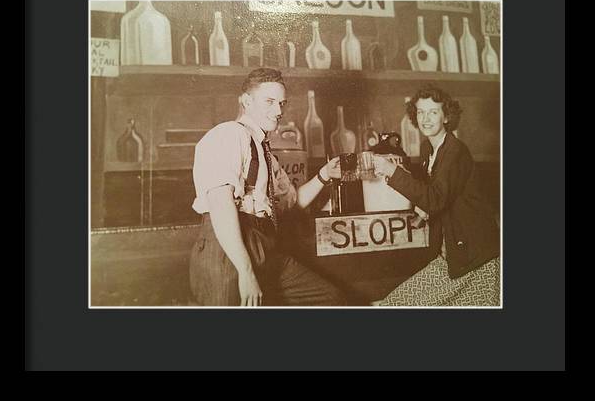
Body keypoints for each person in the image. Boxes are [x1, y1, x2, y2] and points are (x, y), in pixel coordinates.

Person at [189, 67, 347, 306]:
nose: (278, 111)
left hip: (263, 246)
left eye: (282, 103)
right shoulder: (227, 135)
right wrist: (245, 271)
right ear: (246, 101)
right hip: (228, 249)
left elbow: (290, 203)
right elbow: (221, 204)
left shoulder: (266, 154)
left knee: (330, 298)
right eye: (269, 101)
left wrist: (324, 175)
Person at [372, 84, 500, 306]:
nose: (425, 118)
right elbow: (439, 196)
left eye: (433, 112)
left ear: (446, 117)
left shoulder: (455, 151)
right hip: (452, 256)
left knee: (393, 305)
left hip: (478, 259)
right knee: (393, 303)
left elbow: (435, 198)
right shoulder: (428, 149)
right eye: (420, 112)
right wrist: (422, 212)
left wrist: (392, 172)